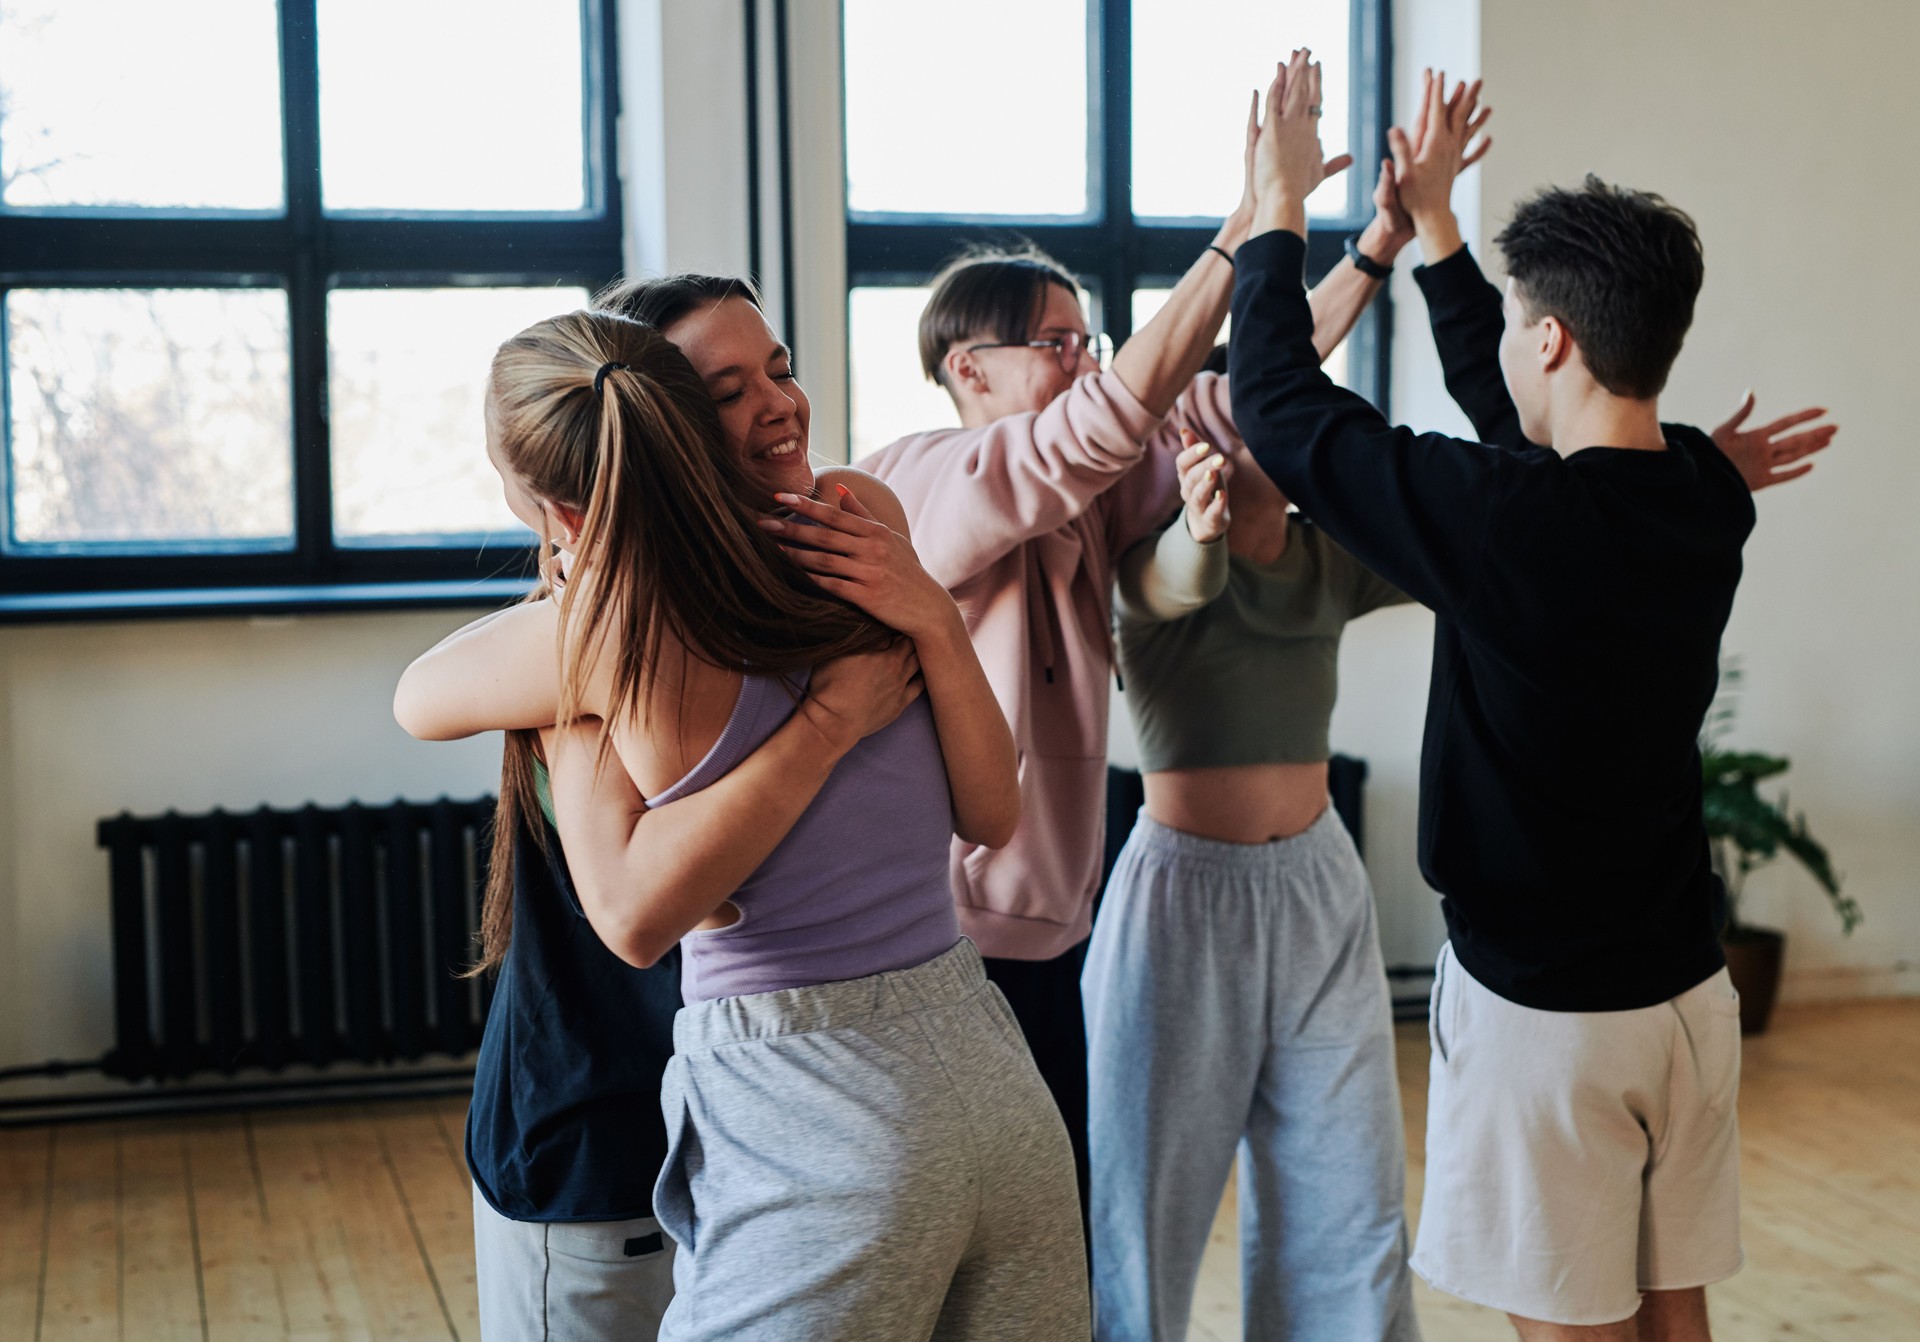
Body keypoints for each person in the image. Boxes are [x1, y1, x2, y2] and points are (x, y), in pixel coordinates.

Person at [1225, 51, 1805, 1341]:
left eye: (1521, 333)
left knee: (1569, 1326)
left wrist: (1276, 202)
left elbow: (1275, 403)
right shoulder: (1704, 497)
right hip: (1685, 997)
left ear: (1553, 337)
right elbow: (1519, 419)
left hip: (1555, 1024)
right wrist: (1433, 225)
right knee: (1672, 1311)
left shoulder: (1519, 517)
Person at [398, 304, 1086, 1339]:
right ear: (665, 428)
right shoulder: (860, 519)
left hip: (815, 1101)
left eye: (781, 368)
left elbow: (423, 702)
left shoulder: (614, 628)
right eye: (730, 392)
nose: (780, 404)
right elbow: (993, 815)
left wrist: (568, 572)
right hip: (991, 1071)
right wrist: (917, 636)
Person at [851, 88, 1403, 1212]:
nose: (1082, 361)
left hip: (1054, 930)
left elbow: (1246, 392)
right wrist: (1247, 224)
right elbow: (1094, 425)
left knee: (1057, 1226)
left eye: (1087, 340)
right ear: (969, 367)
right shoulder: (917, 479)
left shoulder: (1086, 500)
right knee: (969, 1222)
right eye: (1057, 343)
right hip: (943, 942)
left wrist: (1379, 248)